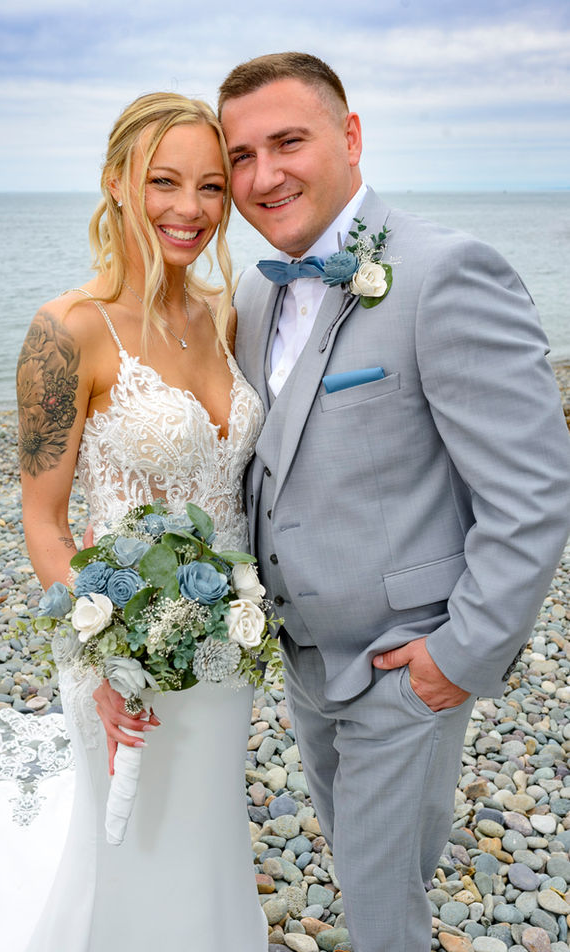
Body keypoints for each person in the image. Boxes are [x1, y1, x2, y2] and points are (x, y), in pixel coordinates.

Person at [217, 52, 570, 952]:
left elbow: (531, 489)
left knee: (379, 911)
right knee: (366, 870)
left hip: (403, 660)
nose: (265, 176)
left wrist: (459, 655)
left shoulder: (445, 272)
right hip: (303, 663)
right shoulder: (258, 300)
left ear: (351, 135)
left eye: (288, 141)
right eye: (243, 156)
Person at [17, 92, 267, 951]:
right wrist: (98, 660)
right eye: (164, 181)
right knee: (129, 839)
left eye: (209, 186)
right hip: (118, 648)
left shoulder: (223, 315)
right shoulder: (68, 331)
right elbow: (44, 522)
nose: (190, 209)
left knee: (204, 833)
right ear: (115, 183)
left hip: (227, 642)